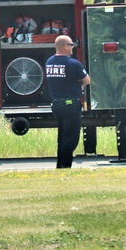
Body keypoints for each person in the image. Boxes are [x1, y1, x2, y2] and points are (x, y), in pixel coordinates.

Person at [44, 34, 90, 169]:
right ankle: (64, 166)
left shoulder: (49, 62)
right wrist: (75, 84)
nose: (73, 47)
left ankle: (61, 164)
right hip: (70, 104)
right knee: (71, 138)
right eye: (71, 45)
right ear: (64, 46)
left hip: (56, 104)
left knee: (62, 136)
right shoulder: (73, 63)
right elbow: (87, 81)